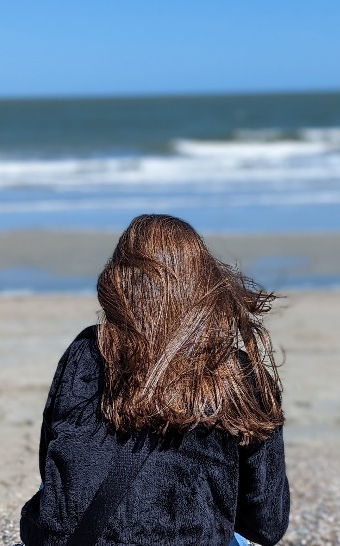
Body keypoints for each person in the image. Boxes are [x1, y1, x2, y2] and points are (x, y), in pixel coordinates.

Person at [19, 214, 290, 546]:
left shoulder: (87, 350)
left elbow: (52, 462)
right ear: (204, 280)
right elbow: (267, 525)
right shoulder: (236, 373)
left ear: (120, 279)